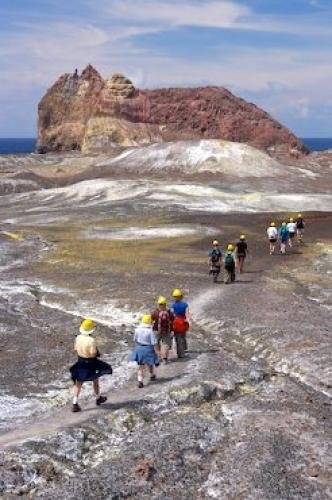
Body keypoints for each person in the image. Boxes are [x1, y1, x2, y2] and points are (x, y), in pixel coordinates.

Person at [70, 319, 112, 413]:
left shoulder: (78, 337)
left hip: (80, 361)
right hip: (91, 362)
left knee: (78, 383)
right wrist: (96, 353)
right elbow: (93, 353)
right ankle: (98, 398)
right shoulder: (91, 340)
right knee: (95, 380)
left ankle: (74, 403)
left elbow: (75, 348)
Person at [130, 315, 160, 388]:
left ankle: (140, 381)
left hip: (139, 348)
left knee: (141, 366)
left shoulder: (137, 329)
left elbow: (135, 340)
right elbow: (154, 342)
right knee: (150, 363)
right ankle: (152, 375)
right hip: (148, 348)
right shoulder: (150, 331)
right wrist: (157, 351)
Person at [151, 296, 174, 363]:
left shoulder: (155, 312)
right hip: (167, 331)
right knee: (165, 344)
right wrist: (172, 329)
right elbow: (173, 319)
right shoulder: (169, 312)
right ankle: (164, 358)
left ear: (158, 304)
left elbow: (151, 319)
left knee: (156, 343)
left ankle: (158, 357)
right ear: (165, 304)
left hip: (156, 330)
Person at [171, 289, 190, 359]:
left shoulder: (173, 305)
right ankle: (185, 349)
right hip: (183, 322)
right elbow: (187, 314)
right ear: (181, 296)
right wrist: (188, 322)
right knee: (183, 336)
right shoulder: (185, 305)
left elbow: (172, 315)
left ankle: (180, 353)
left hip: (176, 322)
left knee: (177, 338)